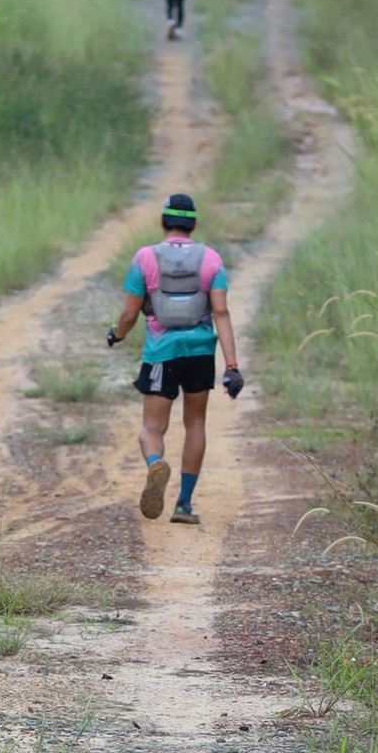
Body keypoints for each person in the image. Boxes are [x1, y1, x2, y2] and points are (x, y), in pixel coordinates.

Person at [107, 190, 243, 526]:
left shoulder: (145, 258)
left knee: (151, 428)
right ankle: (184, 504)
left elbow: (129, 313)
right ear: (194, 224)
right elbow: (221, 312)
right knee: (195, 424)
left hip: (161, 353)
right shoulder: (211, 259)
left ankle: (156, 463)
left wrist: (117, 335)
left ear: (162, 221)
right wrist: (232, 367)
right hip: (200, 353)